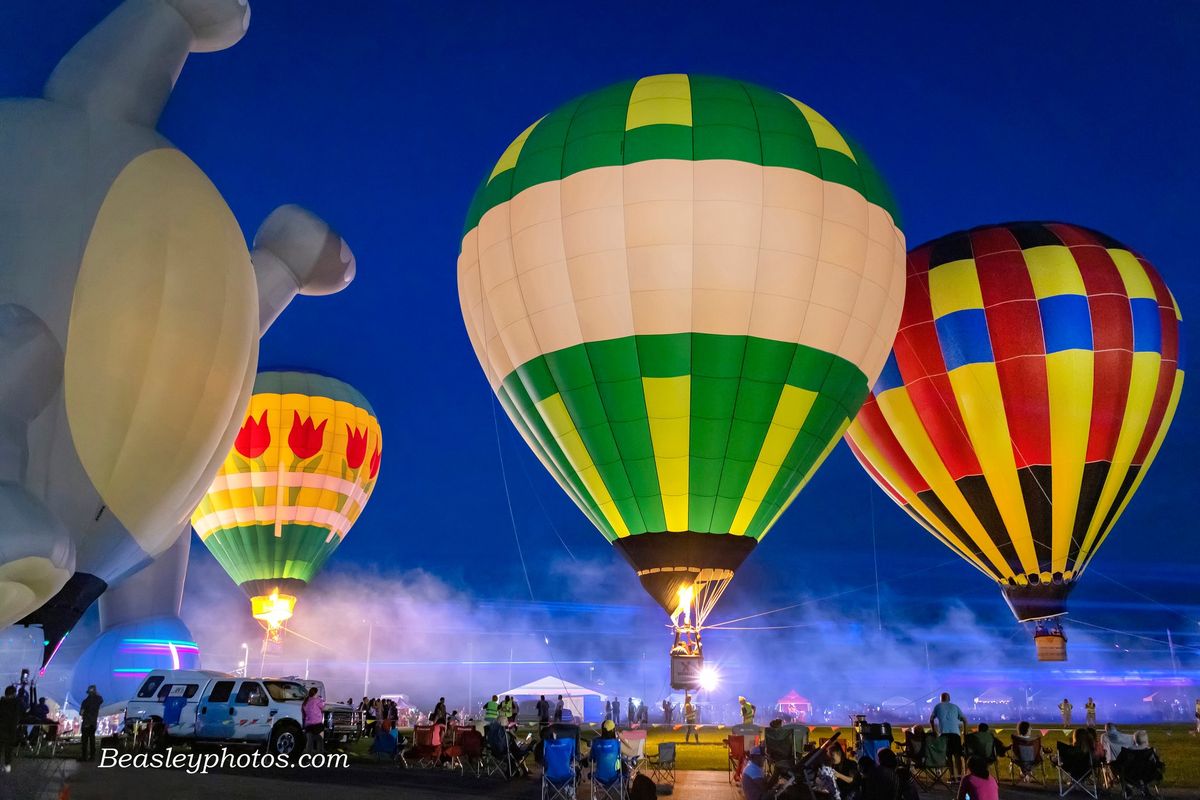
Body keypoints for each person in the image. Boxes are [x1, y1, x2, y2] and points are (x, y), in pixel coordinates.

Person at [930, 691, 967, 779]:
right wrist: (964, 732)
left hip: (944, 734)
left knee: (948, 756)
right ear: (949, 699)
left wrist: (934, 730)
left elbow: (931, 719)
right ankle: (959, 776)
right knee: (957, 755)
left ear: (941, 699)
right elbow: (964, 720)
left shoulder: (938, 706)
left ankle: (952, 776)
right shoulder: (955, 707)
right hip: (955, 734)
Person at [79, 684, 104, 762]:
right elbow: (101, 699)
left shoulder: (85, 701)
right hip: (93, 723)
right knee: (92, 739)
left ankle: (84, 757)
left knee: (84, 741)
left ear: (88, 693)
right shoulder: (98, 700)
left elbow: (81, 713)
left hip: (86, 722)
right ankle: (92, 756)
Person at [0, 686, 20, 773]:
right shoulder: (16, 704)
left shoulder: (1, 702)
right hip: (10, 730)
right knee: (8, 749)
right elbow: (16, 718)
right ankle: (7, 766)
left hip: (1, 729)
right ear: (14, 694)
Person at [302, 686, 325, 753]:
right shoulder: (316, 700)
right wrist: (321, 699)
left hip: (308, 724)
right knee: (319, 740)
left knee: (309, 741)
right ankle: (319, 757)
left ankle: (308, 757)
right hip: (316, 724)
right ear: (315, 693)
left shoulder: (306, 701)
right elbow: (323, 706)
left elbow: (304, 714)